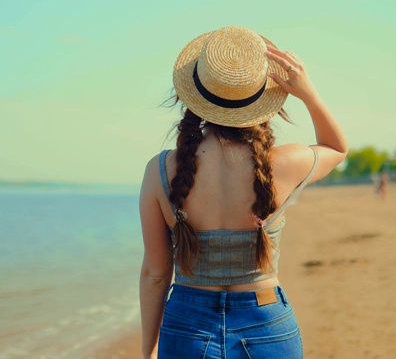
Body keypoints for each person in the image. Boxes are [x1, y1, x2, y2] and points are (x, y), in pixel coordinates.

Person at [138, 26, 348, 358]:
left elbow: (156, 273)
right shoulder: (285, 162)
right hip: (267, 324)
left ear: (195, 95)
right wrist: (308, 93)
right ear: (265, 100)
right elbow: (337, 148)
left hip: (187, 326)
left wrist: (148, 349)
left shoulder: (161, 170)